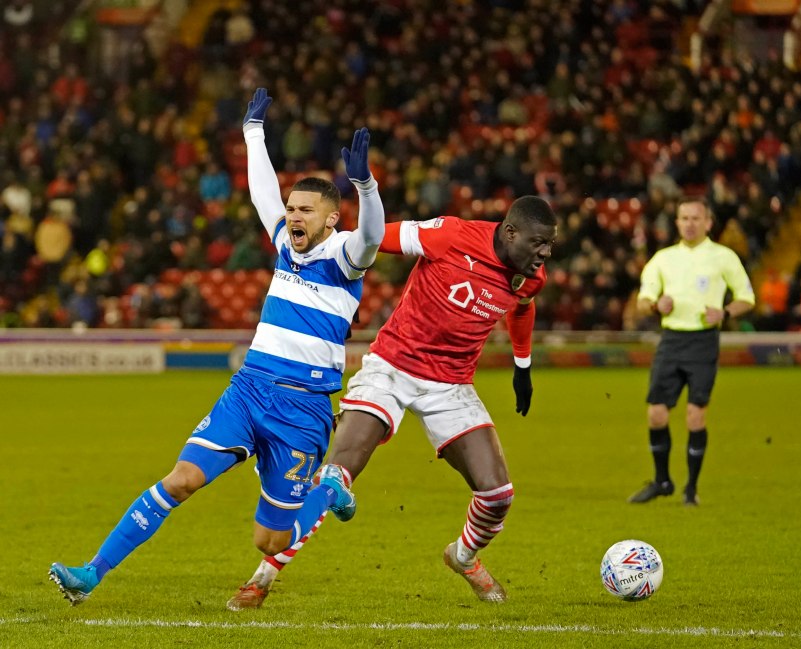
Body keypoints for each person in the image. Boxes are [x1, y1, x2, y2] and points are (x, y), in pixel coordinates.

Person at [48, 88, 386, 605]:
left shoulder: (345, 257)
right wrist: (253, 132)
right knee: (181, 479)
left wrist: (364, 185)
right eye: (292, 209)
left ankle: (328, 491)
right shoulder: (285, 243)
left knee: (269, 541)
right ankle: (91, 573)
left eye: (306, 210)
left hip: (303, 409)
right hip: (248, 390)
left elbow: (372, 235)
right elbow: (262, 194)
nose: (294, 216)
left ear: (331, 219)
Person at [227, 195, 558, 610]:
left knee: (498, 496)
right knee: (334, 477)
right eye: (538, 243)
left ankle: (462, 557)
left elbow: (523, 307)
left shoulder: (531, 275)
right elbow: (370, 239)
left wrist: (522, 366)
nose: (545, 253)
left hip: (451, 385)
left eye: (549, 245)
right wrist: (336, 296)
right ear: (510, 232)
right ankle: (262, 578)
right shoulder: (451, 235)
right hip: (391, 368)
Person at [627, 197, 754, 507]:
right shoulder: (663, 259)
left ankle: (691, 489)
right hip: (671, 340)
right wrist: (656, 306)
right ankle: (662, 481)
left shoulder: (723, 257)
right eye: (684, 218)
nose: (690, 224)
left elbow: (747, 298)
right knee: (656, 413)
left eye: (696, 218)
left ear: (708, 223)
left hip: (703, 341)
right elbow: (643, 301)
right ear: (677, 223)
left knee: (695, 416)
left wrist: (724, 312)